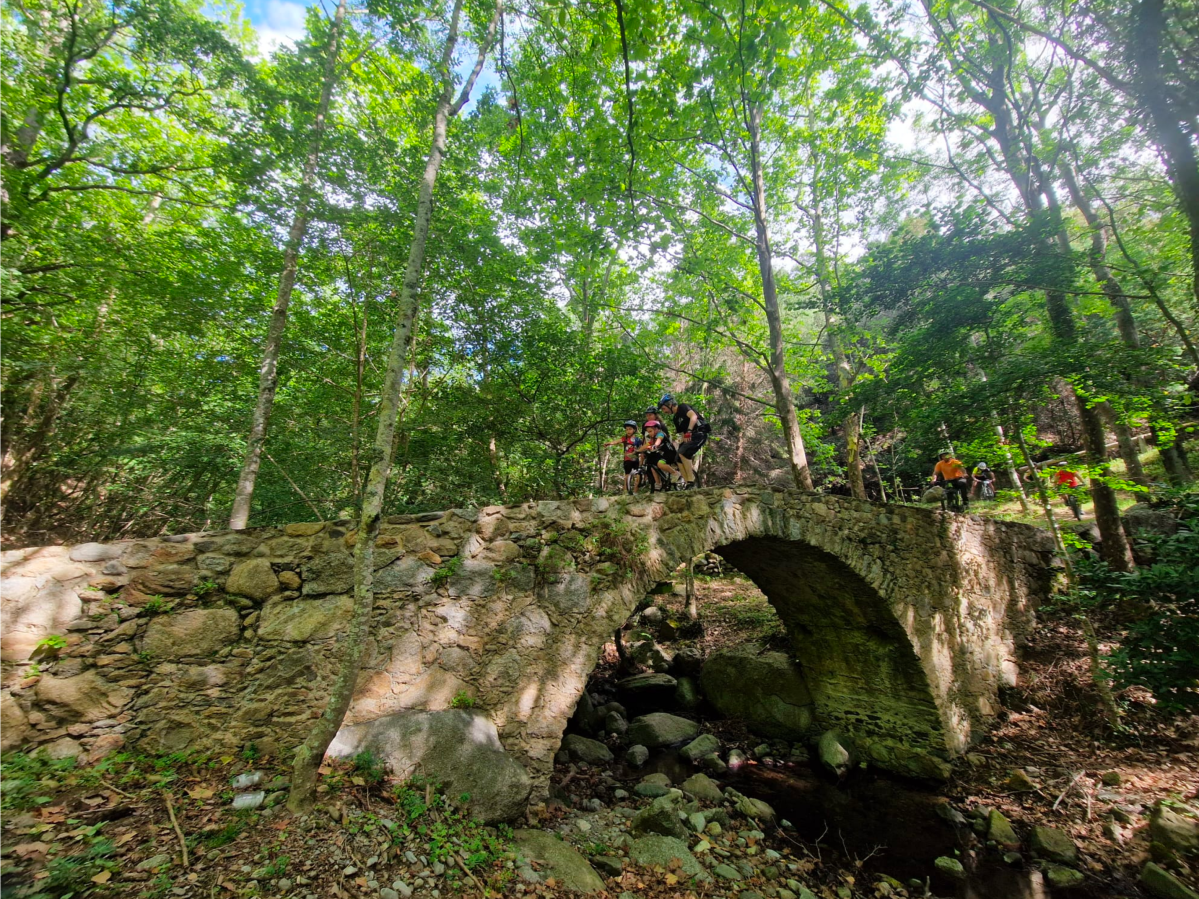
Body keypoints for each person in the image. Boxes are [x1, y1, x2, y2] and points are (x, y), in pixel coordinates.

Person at [658, 394, 709, 489]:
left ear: (670, 404)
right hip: (689, 436)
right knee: (678, 458)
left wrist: (689, 431)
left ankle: (691, 480)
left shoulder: (683, 407)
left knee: (683, 453)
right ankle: (688, 482)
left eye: (664, 408)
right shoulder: (675, 418)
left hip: (699, 433)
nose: (664, 411)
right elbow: (681, 434)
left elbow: (693, 417)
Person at [640, 413, 680, 491]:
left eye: (651, 431)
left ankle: (675, 473)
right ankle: (658, 484)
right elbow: (646, 445)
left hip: (670, 453)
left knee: (660, 464)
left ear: (656, 429)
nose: (650, 433)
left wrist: (655, 445)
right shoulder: (652, 438)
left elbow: (658, 440)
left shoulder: (660, 434)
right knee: (653, 466)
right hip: (663, 454)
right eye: (648, 432)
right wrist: (638, 451)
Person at [603, 420, 643, 486]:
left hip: (636, 460)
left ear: (634, 430)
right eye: (627, 429)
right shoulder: (625, 438)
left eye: (630, 429)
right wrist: (609, 443)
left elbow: (642, 447)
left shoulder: (638, 440)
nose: (628, 431)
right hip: (627, 459)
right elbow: (617, 441)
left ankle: (636, 490)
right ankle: (625, 490)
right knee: (627, 474)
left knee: (637, 474)